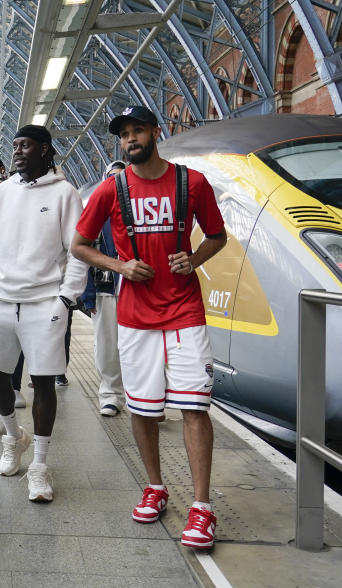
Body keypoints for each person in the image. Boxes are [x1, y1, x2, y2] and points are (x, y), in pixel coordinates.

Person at [71, 105, 227, 549]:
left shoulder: (191, 183)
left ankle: (202, 508)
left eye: (137, 131)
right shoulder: (111, 189)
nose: (130, 140)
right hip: (135, 317)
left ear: (156, 132)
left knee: (195, 406)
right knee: (142, 408)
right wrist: (120, 265)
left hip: (184, 312)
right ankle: (155, 487)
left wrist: (193, 258)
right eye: (123, 135)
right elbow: (79, 245)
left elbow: (217, 236)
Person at [0, 124, 87, 502]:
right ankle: (13, 437)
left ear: (45, 150)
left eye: (26, 146)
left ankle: (40, 466)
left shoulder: (65, 194)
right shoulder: (1, 194)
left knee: (44, 382)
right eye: (15, 145)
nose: (18, 152)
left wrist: (66, 299)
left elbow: (77, 251)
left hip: (44, 301)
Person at [78, 161, 126, 418]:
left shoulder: (136, 209)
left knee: (139, 346)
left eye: (120, 177)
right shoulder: (97, 212)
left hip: (136, 291)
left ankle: (143, 397)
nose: (116, 183)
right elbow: (84, 253)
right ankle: (110, 395)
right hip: (106, 288)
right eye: (111, 178)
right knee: (107, 345)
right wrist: (87, 294)